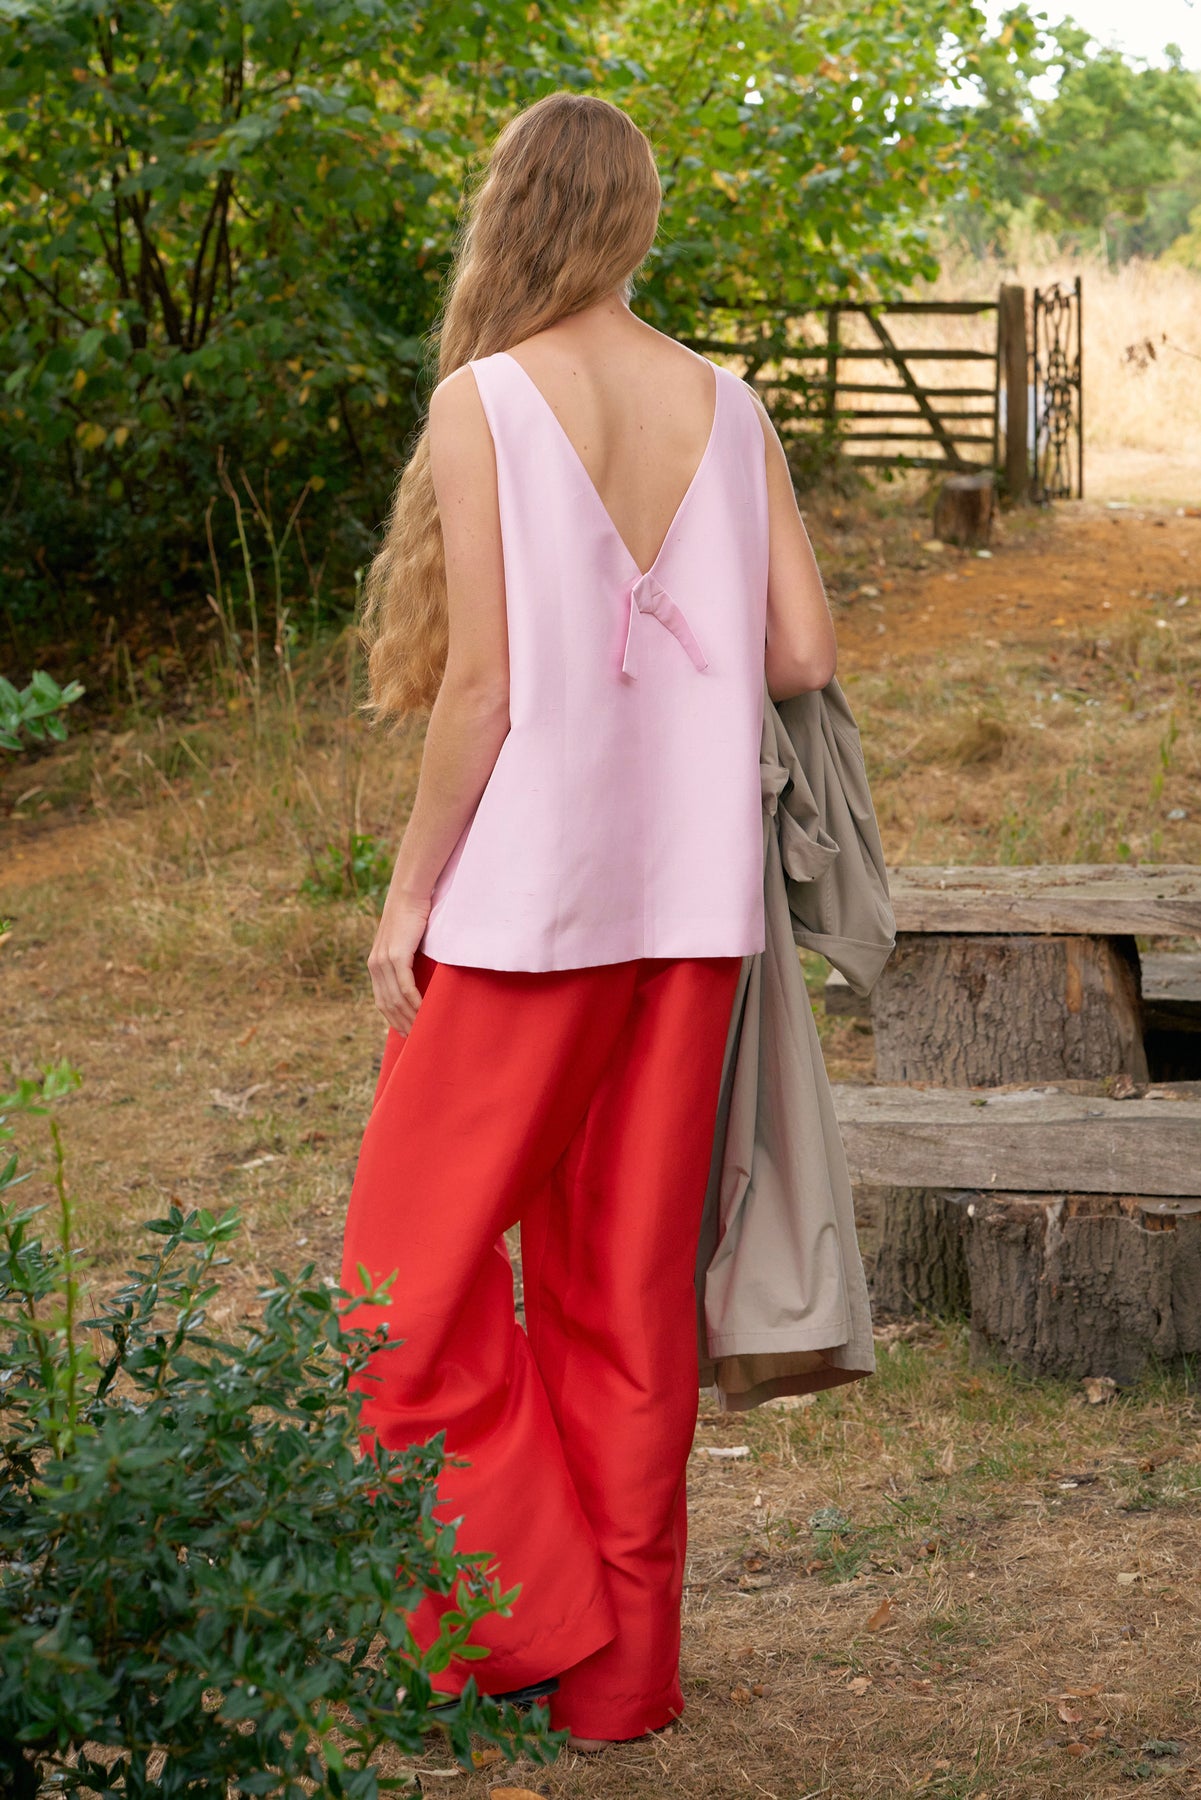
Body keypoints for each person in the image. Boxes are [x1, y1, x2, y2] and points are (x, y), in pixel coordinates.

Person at [338, 89, 837, 1754]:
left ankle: (515, 1620)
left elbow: (483, 687)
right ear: (634, 218)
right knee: (624, 1303)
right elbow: (801, 654)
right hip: (689, 912)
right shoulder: (728, 401)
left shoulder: (485, 396)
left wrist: (408, 890)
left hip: (526, 911)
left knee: (398, 1291)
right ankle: (619, 1681)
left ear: (512, 211)